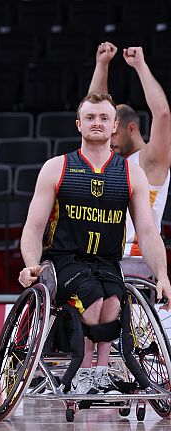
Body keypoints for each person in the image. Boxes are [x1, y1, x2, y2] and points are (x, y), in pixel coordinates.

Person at [18, 92, 171, 397]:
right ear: (79, 125)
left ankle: (101, 374)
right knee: (93, 295)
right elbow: (33, 228)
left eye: (103, 118)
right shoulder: (56, 167)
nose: (97, 123)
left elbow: (148, 232)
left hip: (106, 261)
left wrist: (163, 276)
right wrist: (30, 264)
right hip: (64, 259)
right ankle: (84, 372)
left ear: (115, 125)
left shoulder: (131, 173)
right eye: (90, 117)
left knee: (114, 298)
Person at [88, 43, 171, 277]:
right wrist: (102, 64)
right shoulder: (108, 157)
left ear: (131, 128)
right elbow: (94, 108)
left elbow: (163, 114)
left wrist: (140, 66)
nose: (107, 136)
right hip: (103, 258)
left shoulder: (150, 160)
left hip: (135, 259)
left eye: (113, 131)